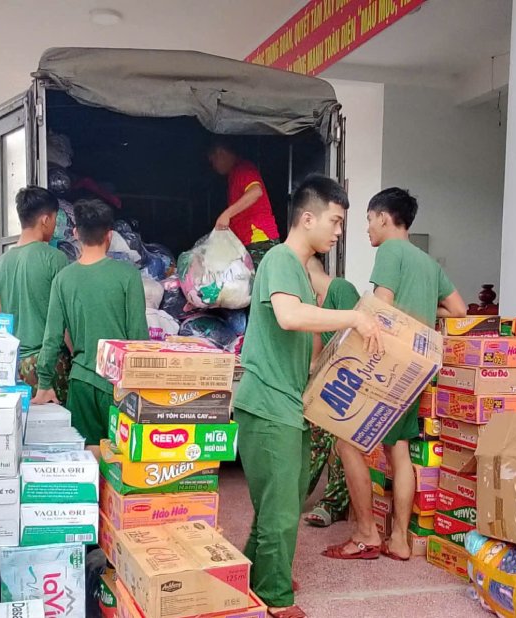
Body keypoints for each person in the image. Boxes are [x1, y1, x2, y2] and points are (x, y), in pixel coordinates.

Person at [234, 175, 382, 618]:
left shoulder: (297, 269)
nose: (339, 232)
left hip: (287, 405)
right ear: (307, 218)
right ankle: (277, 599)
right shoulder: (280, 258)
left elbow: (304, 336)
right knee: (279, 510)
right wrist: (353, 318)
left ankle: (257, 576)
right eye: (335, 221)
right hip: (268, 404)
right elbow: (289, 316)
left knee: (280, 504)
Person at [326, 187, 467, 562]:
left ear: (384, 218)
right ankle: (400, 540)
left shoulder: (390, 250)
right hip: (417, 367)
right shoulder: (428, 263)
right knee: (398, 449)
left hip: (387, 364)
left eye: (369, 220)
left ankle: (366, 534)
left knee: (346, 441)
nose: (367, 229)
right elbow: (459, 310)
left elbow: (382, 307)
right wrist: (424, 314)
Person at [32, 199, 149, 450]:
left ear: (76, 233)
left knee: (89, 454)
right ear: (109, 235)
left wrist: (44, 383)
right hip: (120, 386)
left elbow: (52, 337)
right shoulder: (128, 275)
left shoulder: (63, 279)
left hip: (81, 382)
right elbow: (139, 337)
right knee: (122, 455)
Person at [0, 187, 71, 401]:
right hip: (49, 368)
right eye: (55, 219)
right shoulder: (55, 259)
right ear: (45, 220)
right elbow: (66, 323)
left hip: (12, 369)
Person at [303, 255, 361, 528]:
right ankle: (293, 493)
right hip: (331, 382)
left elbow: (357, 339)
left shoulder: (340, 289)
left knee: (338, 441)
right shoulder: (314, 302)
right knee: (311, 433)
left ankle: (333, 504)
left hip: (351, 382)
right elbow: (316, 356)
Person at [208, 139, 281, 267]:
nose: (213, 166)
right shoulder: (233, 175)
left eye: (213, 161)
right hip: (248, 243)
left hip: (260, 241)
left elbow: (256, 191)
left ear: (220, 152)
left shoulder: (244, 170)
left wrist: (226, 214)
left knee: (260, 279)